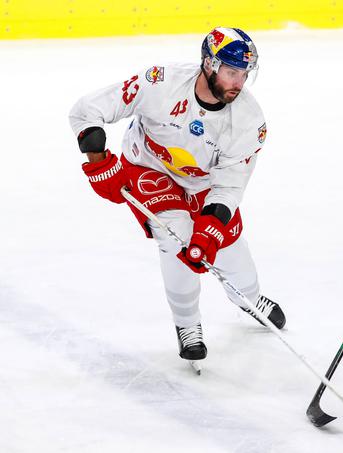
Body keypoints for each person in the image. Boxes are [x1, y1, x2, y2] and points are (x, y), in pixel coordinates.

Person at [69, 27, 286, 367]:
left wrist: (211, 228)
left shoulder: (248, 119)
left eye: (244, 73)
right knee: (176, 239)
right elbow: (86, 111)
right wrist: (99, 164)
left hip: (204, 184)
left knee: (227, 250)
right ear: (209, 64)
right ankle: (187, 324)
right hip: (149, 168)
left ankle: (249, 298)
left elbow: (229, 185)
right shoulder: (160, 83)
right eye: (231, 72)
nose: (238, 82)